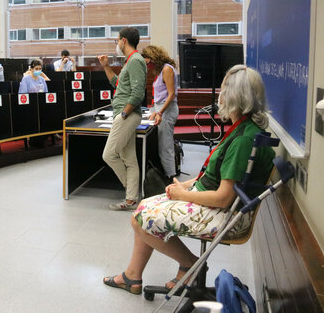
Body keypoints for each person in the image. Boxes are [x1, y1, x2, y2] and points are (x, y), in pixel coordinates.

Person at [102, 65, 275, 295]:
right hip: (216, 202)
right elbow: (217, 173)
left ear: (234, 96)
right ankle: (133, 276)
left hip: (225, 215)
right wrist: (185, 184)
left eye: (223, 91)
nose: (219, 96)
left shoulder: (243, 140)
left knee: (140, 216)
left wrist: (183, 194)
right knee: (145, 209)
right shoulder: (244, 129)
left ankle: (190, 264)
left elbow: (223, 198)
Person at [98, 27, 147, 211]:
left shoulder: (135, 60)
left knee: (109, 154)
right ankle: (131, 199)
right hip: (126, 114)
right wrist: (106, 66)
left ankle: (130, 192)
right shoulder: (130, 61)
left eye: (117, 40)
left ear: (124, 40)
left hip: (126, 115)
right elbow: (117, 83)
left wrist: (124, 114)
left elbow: (137, 93)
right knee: (129, 159)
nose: (117, 44)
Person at [141, 45, 180, 180]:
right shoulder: (161, 71)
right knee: (159, 143)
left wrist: (160, 112)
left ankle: (171, 177)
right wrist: (153, 109)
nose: (148, 66)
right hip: (160, 107)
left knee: (165, 145)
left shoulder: (167, 69)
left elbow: (171, 94)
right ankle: (164, 173)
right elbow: (159, 95)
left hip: (167, 109)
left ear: (154, 58)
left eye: (147, 63)